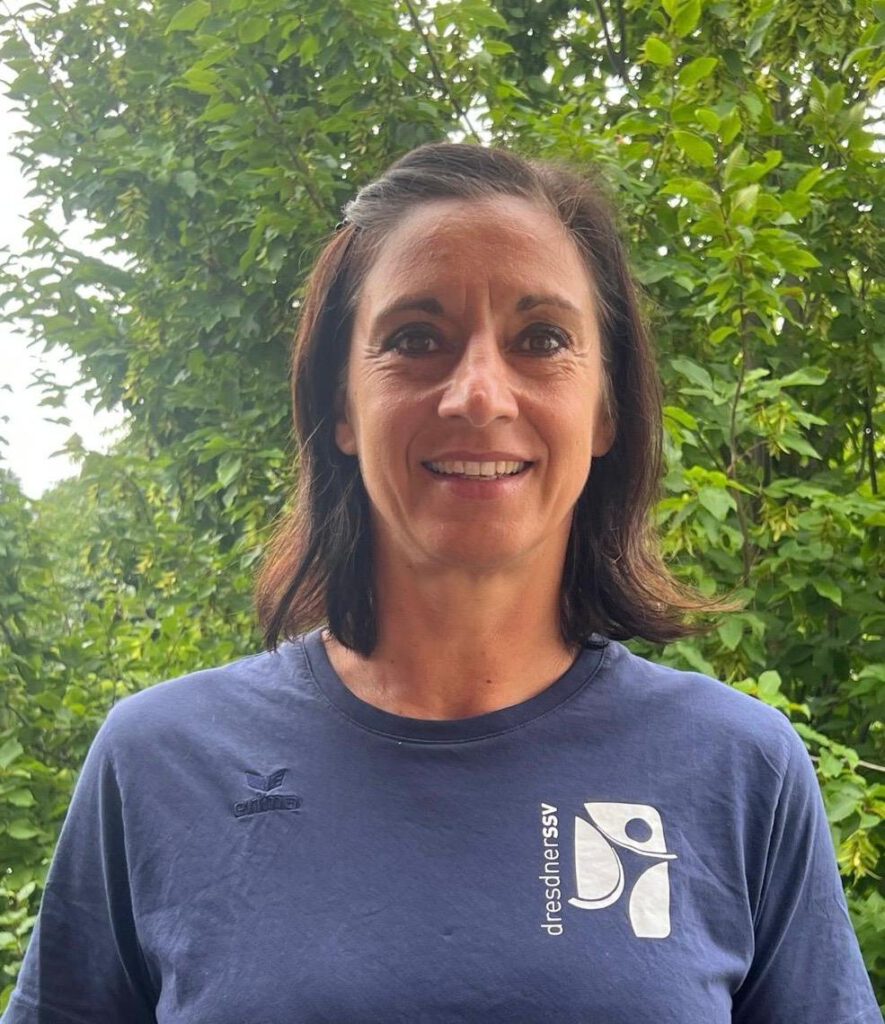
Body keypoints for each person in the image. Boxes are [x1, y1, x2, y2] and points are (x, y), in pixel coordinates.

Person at [2, 143, 879, 1024]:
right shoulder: (159, 761)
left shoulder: (736, 768)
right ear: (341, 406)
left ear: (606, 408)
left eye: (542, 340)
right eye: (415, 340)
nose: (477, 395)